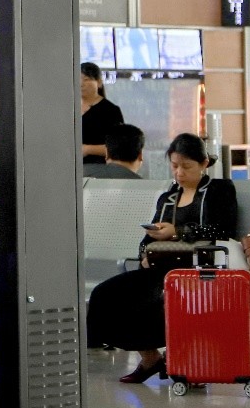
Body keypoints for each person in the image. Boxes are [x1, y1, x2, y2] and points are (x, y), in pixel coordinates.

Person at [86, 133, 237, 384]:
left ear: (204, 163)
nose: (179, 173)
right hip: (161, 267)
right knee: (105, 294)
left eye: (186, 166)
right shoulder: (168, 197)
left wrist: (178, 232)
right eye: (174, 166)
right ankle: (150, 356)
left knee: (151, 298)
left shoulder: (219, 190)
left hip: (199, 268)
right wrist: (145, 253)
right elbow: (150, 236)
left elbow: (222, 230)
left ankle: (175, 358)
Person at [80, 62, 124, 164]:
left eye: (86, 79)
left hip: (99, 167)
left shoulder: (110, 111)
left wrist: (87, 149)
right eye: (77, 79)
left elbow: (118, 147)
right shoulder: (68, 109)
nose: (81, 84)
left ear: (99, 82)